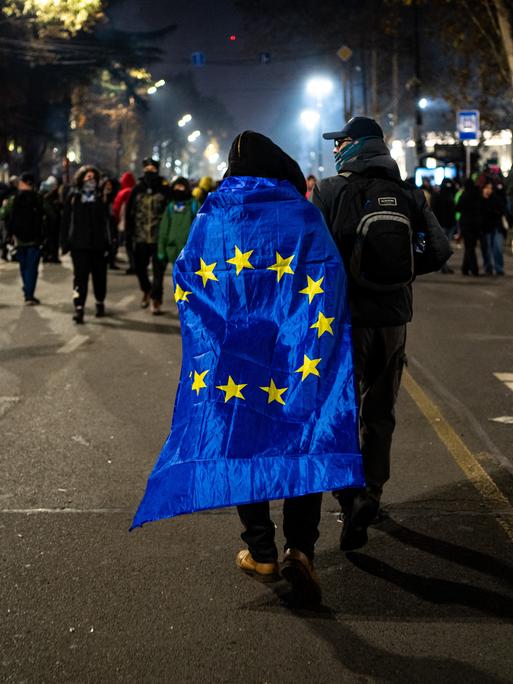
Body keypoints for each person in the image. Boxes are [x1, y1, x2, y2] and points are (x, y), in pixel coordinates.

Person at [132, 131, 366, 605]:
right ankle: (300, 549)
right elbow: (331, 273)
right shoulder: (301, 213)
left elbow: (186, 276)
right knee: (303, 439)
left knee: (242, 441)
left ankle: (260, 550)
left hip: (234, 356)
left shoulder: (214, 213)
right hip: (297, 355)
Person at [312, 116, 449, 551]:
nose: (336, 150)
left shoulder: (330, 191)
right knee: (380, 411)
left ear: (358, 146)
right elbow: (438, 248)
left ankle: (349, 497)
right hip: (393, 319)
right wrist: (405, 269)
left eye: (342, 142)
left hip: (345, 320)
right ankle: (373, 492)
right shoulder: (409, 193)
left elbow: (313, 253)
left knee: (341, 410)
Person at [61, 165, 110, 324]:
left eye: (93, 177)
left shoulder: (101, 197)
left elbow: (107, 223)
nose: (90, 179)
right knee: (80, 278)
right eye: (87, 177)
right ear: (81, 179)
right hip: (79, 246)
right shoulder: (73, 197)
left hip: (98, 246)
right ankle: (79, 308)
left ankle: (99, 302)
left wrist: (110, 244)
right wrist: (64, 243)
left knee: (99, 277)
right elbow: (66, 221)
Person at [126, 158, 171, 314]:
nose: (150, 171)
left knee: (158, 272)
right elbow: (129, 213)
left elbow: (170, 212)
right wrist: (128, 233)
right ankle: (146, 290)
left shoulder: (165, 190)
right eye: (147, 168)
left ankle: (156, 299)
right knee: (139, 269)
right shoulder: (137, 189)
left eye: (153, 168)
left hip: (159, 238)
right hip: (140, 238)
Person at [1, 172, 48, 304]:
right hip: (35, 238)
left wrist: (10, 233)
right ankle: (29, 293)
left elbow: (4, 215)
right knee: (32, 267)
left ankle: (27, 289)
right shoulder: (39, 198)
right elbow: (50, 214)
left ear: (24, 183)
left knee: (24, 266)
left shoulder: (13, 199)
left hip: (19, 238)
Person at [157, 177, 198, 299]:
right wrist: (161, 248)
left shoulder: (194, 205)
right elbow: (164, 229)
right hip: (172, 250)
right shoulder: (170, 207)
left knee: (188, 281)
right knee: (178, 280)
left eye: (181, 187)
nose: (178, 189)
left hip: (189, 251)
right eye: (176, 186)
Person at [113, 171, 136, 274]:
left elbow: (117, 207)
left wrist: (117, 220)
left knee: (128, 244)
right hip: (134, 222)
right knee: (131, 244)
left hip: (125, 221)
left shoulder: (123, 192)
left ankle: (133, 265)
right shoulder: (135, 191)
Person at [431, 178, 456, 273]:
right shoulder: (444, 196)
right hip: (444, 225)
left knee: (445, 247)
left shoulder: (439, 196)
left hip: (445, 224)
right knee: (445, 247)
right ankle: (443, 266)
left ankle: (444, 266)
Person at [40, 175, 62, 264]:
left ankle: (49, 255)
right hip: (50, 221)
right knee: (51, 239)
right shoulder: (48, 195)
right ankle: (51, 256)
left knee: (49, 239)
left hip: (49, 221)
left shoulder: (44, 194)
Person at [100, 176, 120, 270]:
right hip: (104, 223)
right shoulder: (100, 195)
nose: (108, 186)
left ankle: (111, 261)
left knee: (113, 241)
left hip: (111, 222)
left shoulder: (114, 195)